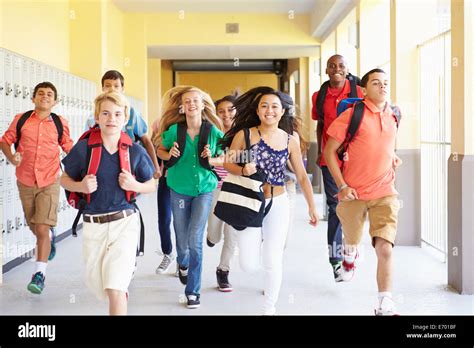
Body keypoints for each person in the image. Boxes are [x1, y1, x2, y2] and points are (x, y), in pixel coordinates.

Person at [222, 86, 319, 315]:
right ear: (257, 111)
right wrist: (243, 169)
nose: (269, 110)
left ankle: (269, 308)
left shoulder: (289, 140)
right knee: (248, 264)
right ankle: (256, 251)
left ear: (282, 111)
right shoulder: (245, 135)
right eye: (264, 105)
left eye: (275, 106)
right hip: (250, 202)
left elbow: (303, 177)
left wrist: (312, 208)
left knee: (273, 258)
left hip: (278, 202)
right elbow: (228, 164)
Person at [60, 91, 156, 315]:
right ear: (97, 117)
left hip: (125, 223)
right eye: (105, 113)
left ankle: (120, 290)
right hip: (94, 225)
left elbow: (151, 184)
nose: (111, 118)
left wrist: (135, 185)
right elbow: (63, 179)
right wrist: (80, 186)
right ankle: (120, 291)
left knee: (114, 286)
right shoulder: (84, 149)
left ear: (125, 118)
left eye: (117, 114)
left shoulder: (135, 152)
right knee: (98, 284)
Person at [324, 68, 403, 315]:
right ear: (364, 89)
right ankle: (349, 257)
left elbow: (384, 145)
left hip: (385, 192)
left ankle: (385, 302)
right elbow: (328, 152)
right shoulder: (351, 115)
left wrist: (393, 158)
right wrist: (342, 186)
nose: (382, 87)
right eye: (376, 83)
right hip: (353, 194)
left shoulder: (395, 114)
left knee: (385, 248)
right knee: (352, 241)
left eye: (386, 83)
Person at [0, 82, 73, 294]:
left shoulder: (60, 123)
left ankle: (39, 274)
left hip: (50, 181)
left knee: (41, 227)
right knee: (34, 225)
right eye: (40, 93)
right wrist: (12, 157)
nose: (45, 96)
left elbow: (69, 147)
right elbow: (5, 141)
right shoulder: (21, 120)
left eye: (50, 94)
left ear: (55, 101)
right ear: (33, 98)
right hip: (25, 180)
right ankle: (49, 237)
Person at [156, 86, 224, 309]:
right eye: (188, 101)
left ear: (203, 105)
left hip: (204, 189)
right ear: (182, 107)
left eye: (196, 100)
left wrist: (212, 158)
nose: (192, 104)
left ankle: (193, 291)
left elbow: (225, 155)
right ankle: (182, 261)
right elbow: (160, 150)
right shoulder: (175, 130)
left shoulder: (212, 131)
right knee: (182, 237)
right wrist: (169, 153)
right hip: (179, 188)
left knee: (195, 239)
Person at [311, 54, 363, 281]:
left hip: (355, 159)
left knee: (354, 207)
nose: (336, 69)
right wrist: (320, 151)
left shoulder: (359, 92)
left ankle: (350, 251)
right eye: (332, 66)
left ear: (347, 68)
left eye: (341, 65)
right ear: (326, 70)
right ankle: (335, 260)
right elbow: (320, 124)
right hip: (329, 160)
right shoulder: (319, 96)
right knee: (335, 207)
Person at [85, 70, 161, 179]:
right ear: (102, 89)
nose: (112, 89)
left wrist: (156, 167)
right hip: (103, 163)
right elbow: (87, 142)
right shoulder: (93, 117)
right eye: (107, 86)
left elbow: (146, 141)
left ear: (122, 89)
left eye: (116, 86)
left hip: (128, 163)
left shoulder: (132, 114)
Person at [205, 94, 238, 292]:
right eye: (221, 111)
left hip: (236, 188)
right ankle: (211, 237)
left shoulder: (243, 134)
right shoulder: (212, 133)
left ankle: (223, 270)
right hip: (216, 188)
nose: (226, 114)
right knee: (215, 234)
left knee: (231, 234)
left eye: (230, 110)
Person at [151, 117, 174, 275]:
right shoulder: (161, 123)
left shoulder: (192, 124)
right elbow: (154, 150)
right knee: (164, 218)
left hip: (186, 181)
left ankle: (183, 261)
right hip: (166, 180)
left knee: (183, 222)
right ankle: (168, 254)